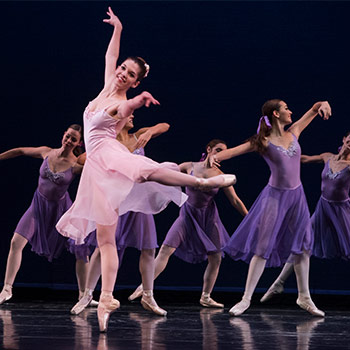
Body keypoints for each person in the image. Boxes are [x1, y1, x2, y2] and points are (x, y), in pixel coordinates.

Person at [56, 7, 236, 332]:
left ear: (136, 82)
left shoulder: (119, 101)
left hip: (109, 155)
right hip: (98, 170)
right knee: (105, 240)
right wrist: (118, 28)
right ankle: (106, 298)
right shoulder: (107, 85)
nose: (122, 74)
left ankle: (200, 181)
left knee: (148, 171)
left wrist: (138, 102)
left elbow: (124, 107)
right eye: (123, 69)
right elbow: (110, 56)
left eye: (129, 74)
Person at [208, 99, 331, 317]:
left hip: (297, 197)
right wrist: (213, 156)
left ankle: (304, 297)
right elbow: (235, 151)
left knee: (303, 246)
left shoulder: (294, 132)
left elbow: (313, 109)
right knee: (262, 246)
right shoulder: (262, 141)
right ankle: (246, 299)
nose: (290, 111)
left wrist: (323, 104)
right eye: (286, 108)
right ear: (275, 114)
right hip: (274, 198)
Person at [128, 139, 248, 309]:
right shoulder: (189, 166)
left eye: (224, 152)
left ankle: (206, 296)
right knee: (165, 249)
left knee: (215, 258)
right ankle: (144, 287)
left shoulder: (221, 175)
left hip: (208, 218)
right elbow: (167, 175)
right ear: (209, 149)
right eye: (218, 150)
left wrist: (249, 217)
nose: (220, 154)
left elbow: (235, 201)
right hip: (187, 215)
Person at [70, 116, 171, 316]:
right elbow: (82, 159)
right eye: (129, 114)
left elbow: (164, 124)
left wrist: (150, 132)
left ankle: (148, 296)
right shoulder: (109, 144)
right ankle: (87, 295)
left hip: (139, 201)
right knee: (103, 247)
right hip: (117, 201)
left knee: (149, 248)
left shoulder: (139, 135)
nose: (133, 116)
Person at [0, 124, 93, 305]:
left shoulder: (75, 165)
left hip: (62, 210)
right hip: (38, 206)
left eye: (73, 139)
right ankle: (6, 289)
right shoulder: (46, 152)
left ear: (78, 143)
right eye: (67, 136)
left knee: (81, 249)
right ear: (63, 135)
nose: (68, 141)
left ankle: (84, 295)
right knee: (16, 242)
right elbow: (20, 150)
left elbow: (98, 170)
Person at [260, 131, 350, 303]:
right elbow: (302, 159)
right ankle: (278, 283)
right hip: (323, 207)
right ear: (344, 139)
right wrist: (279, 154)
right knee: (301, 243)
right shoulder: (328, 157)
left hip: (341, 211)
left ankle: (279, 283)